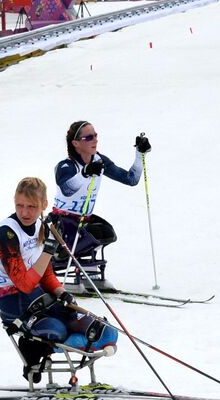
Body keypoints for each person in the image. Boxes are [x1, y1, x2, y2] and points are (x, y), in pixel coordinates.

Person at [0, 177, 117, 382]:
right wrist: (49, 249)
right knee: (57, 329)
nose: (25, 212)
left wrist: (60, 292)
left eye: (32, 206)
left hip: (38, 297)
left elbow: (46, 274)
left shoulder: (41, 227)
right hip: (14, 303)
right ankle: (33, 351)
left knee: (100, 329)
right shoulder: (6, 235)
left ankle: (50, 351)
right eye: (20, 205)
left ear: (44, 205)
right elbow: (24, 284)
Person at [50, 121, 148, 283]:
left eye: (95, 135)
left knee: (106, 233)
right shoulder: (66, 166)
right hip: (62, 222)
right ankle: (60, 255)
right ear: (75, 143)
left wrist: (140, 154)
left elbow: (131, 179)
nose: (95, 140)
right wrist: (85, 173)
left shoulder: (99, 161)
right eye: (89, 137)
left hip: (84, 220)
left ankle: (88, 267)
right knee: (91, 236)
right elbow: (67, 188)